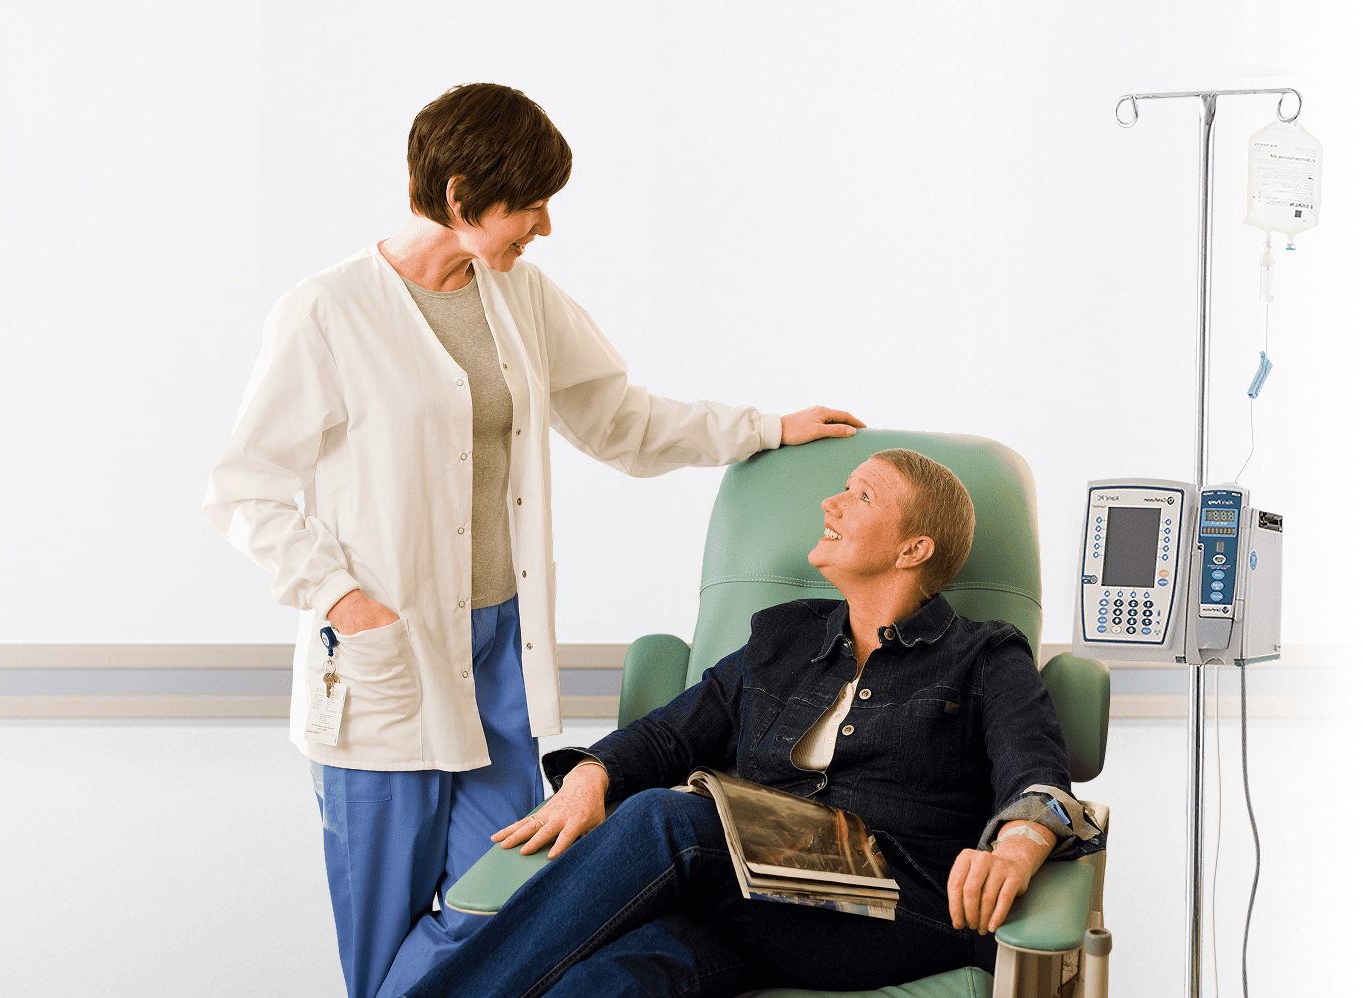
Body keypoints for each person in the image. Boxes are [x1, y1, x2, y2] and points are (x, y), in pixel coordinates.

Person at [201, 82, 865, 998]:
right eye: (530, 204)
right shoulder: (326, 313)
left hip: (500, 657)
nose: (545, 227)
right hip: (384, 661)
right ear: (461, 196)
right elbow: (245, 489)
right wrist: (346, 603)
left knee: (515, 905)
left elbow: (620, 421)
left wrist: (763, 428)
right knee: (382, 934)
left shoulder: (520, 294)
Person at [402, 449, 1109, 998]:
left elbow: (1036, 774)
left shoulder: (983, 654)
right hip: (758, 899)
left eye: (861, 496)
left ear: (912, 549)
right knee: (610, 982)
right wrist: (591, 776)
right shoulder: (783, 638)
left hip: (899, 905)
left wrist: (1015, 848)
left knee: (666, 821)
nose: (830, 502)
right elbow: (672, 734)